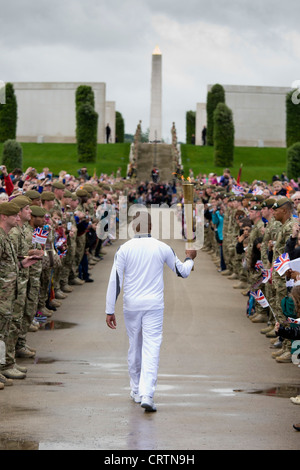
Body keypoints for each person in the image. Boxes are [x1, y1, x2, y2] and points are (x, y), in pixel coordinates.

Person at [105, 211, 197, 411]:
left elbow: (115, 280)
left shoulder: (124, 249)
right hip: (154, 305)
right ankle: (147, 393)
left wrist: (109, 309)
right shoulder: (161, 247)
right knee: (151, 348)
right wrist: (190, 258)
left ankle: (136, 389)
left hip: (131, 305)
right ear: (151, 227)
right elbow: (182, 272)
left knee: (134, 345)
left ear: (133, 227)